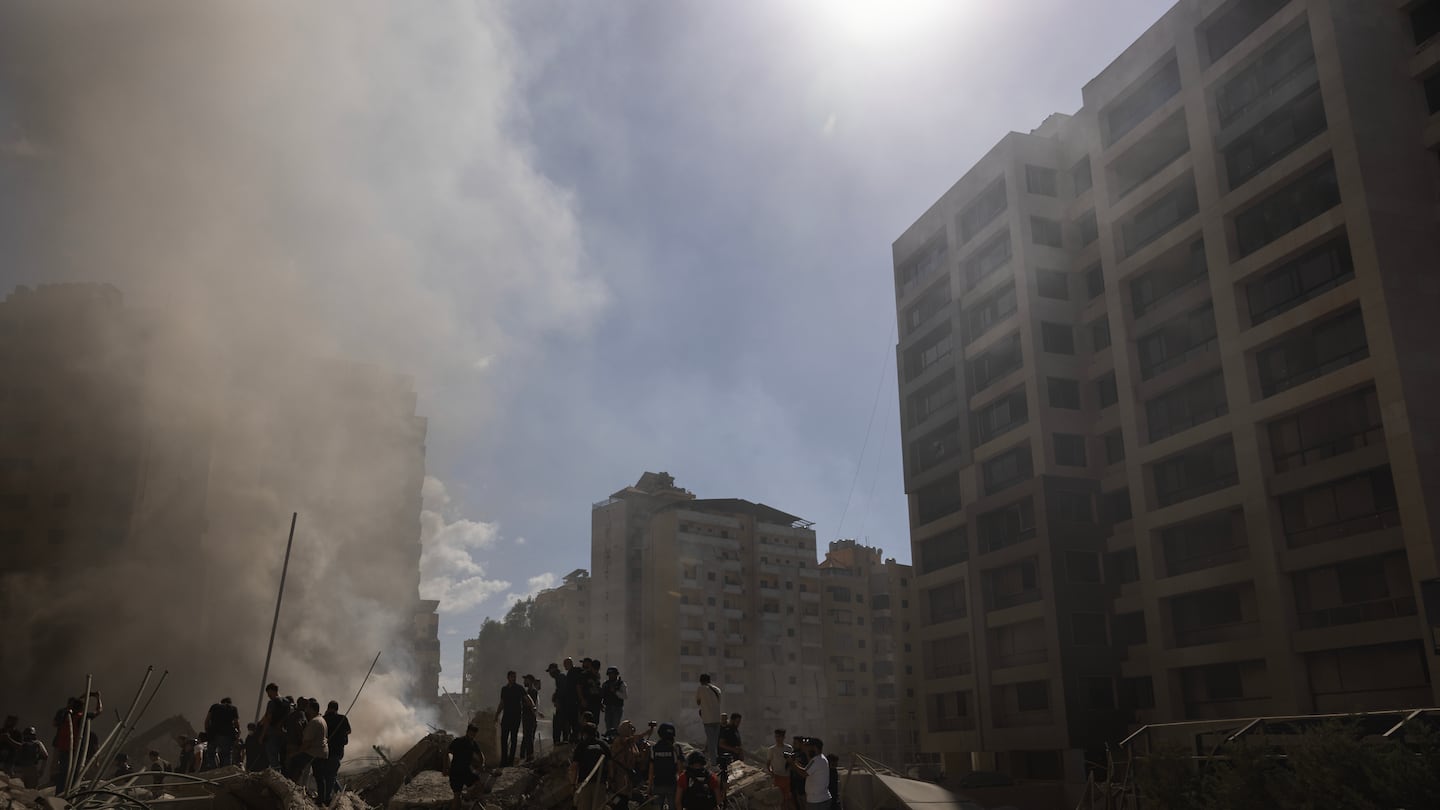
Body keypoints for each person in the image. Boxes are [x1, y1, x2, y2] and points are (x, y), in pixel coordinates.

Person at [53, 691, 102, 792]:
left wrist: (86, 695)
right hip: (75, 751)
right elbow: (99, 711)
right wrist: (98, 698)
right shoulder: (81, 718)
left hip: (64, 749)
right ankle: (68, 797)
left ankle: (60, 795)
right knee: (73, 777)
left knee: (63, 775)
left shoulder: (65, 716)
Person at [568, 723, 609, 810]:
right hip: (600, 785)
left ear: (584, 734)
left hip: (584, 784)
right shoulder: (604, 745)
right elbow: (611, 765)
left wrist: (572, 784)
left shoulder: (581, 745)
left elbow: (574, 767)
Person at [287, 699, 327, 786]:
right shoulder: (320, 720)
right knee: (319, 776)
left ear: (312, 709)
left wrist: (296, 753)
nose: (306, 709)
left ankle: (291, 786)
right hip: (319, 752)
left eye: (308, 708)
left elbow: (307, 743)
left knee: (295, 764)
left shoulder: (314, 722)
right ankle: (321, 798)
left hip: (312, 751)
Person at [443, 725, 484, 810]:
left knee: (479, 785)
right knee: (457, 796)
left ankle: (468, 797)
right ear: (467, 732)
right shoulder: (458, 741)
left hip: (466, 771)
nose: (473, 736)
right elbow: (447, 752)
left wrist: (481, 765)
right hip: (455, 772)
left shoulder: (473, 743)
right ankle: (466, 798)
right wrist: (445, 767)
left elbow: (480, 755)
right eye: (471, 733)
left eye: (474, 734)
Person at [318, 700, 351, 805]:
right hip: (337, 752)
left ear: (328, 708)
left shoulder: (324, 719)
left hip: (324, 751)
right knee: (331, 775)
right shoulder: (342, 718)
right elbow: (349, 731)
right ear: (337, 709)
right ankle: (339, 796)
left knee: (326, 776)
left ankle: (327, 798)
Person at [647, 722, 680, 810]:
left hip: (658, 784)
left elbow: (651, 769)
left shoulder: (654, 748)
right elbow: (680, 768)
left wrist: (649, 786)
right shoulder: (675, 748)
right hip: (672, 784)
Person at [795, 738, 830, 810]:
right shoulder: (819, 759)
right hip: (818, 799)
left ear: (814, 747)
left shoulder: (817, 760)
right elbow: (808, 769)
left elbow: (804, 773)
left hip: (817, 801)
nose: (806, 748)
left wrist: (792, 763)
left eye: (808, 747)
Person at [204, 697, 240, 768]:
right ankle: (225, 772)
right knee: (226, 755)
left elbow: (207, 720)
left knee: (211, 754)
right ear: (229, 703)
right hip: (226, 735)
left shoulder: (214, 706)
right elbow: (236, 723)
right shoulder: (233, 708)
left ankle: (213, 769)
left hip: (213, 734)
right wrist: (238, 732)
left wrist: (207, 731)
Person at [694, 674, 722, 766]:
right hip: (717, 719)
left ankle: (713, 764)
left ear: (701, 681)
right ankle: (716, 760)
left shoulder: (701, 689)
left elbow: (698, 702)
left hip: (708, 720)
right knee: (714, 742)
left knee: (711, 743)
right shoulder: (717, 690)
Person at [259, 684, 288, 770]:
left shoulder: (272, 702)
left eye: (268, 693)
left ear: (272, 691)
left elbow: (268, 718)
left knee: (272, 756)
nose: (268, 696)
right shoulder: (286, 701)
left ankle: (275, 774)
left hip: (272, 732)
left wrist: (262, 735)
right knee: (281, 756)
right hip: (283, 732)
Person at [766, 728, 794, 810]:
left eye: (780, 737)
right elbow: (768, 763)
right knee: (778, 799)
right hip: (777, 777)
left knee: (787, 799)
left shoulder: (789, 748)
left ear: (783, 737)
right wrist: (771, 771)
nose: (778, 739)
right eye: (776, 737)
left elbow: (792, 763)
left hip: (787, 777)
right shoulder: (772, 749)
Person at [717, 713, 743, 788]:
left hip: (736, 758)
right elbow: (721, 744)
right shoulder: (726, 729)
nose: (738, 724)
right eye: (737, 722)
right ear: (732, 720)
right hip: (728, 759)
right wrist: (733, 749)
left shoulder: (735, 729)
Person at [545, 663, 569, 745]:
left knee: (559, 727)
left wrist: (557, 701)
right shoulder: (560, 677)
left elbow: (562, 691)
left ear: (554, 669)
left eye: (550, 671)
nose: (550, 674)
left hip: (563, 707)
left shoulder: (560, 677)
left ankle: (559, 745)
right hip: (564, 706)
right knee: (563, 726)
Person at [599, 667, 628, 735]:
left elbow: (624, 696)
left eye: (612, 674)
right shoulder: (605, 684)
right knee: (608, 726)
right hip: (608, 707)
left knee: (615, 726)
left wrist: (615, 691)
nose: (611, 676)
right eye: (609, 674)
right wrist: (600, 704)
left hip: (617, 708)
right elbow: (602, 695)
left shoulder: (621, 684)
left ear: (616, 674)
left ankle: (614, 739)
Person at [519, 675, 541, 762]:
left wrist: (534, 717)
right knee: (526, 735)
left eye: (526, 680)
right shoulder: (528, 691)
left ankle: (529, 756)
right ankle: (523, 755)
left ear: (530, 681)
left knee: (528, 736)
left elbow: (532, 705)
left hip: (529, 716)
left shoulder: (532, 692)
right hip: (526, 715)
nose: (524, 681)